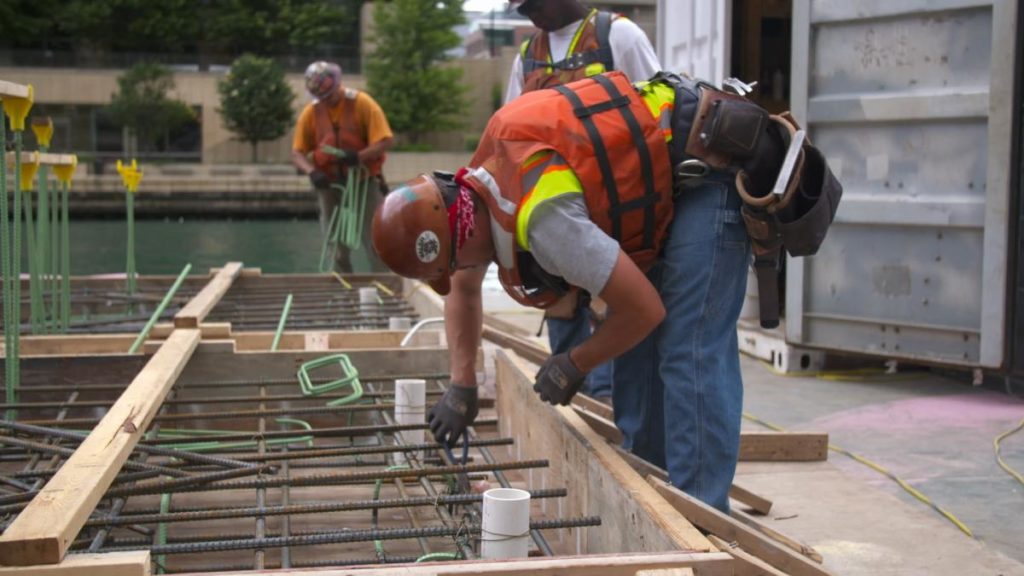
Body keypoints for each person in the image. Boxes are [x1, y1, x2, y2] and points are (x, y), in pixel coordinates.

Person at [372, 70, 841, 512]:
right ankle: (654, 492)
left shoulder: (544, 221)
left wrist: (574, 362)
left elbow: (644, 312)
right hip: (664, 192)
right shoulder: (478, 188)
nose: (462, 270)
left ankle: (699, 518)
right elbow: (465, 289)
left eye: (454, 262)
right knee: (634, 355)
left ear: (461, 232)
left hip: (711, 172)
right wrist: (462, 385)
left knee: (687, 347)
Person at [497, 0, 662, 400]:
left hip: (619, 220)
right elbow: (509, 139)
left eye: (533, 4)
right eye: (521, 9)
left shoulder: (617, 37)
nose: (529, 15)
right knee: (565, 343)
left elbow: (659, 117)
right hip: (555, 227)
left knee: (615, 340)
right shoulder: (528, 57)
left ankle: (610, 425)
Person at [291, 61, 394, 273]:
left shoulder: (363, 104)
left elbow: (384, 140)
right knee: (334, 237)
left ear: (338, 84)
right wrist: (312, 172)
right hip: (328, 182)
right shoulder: (311, 112)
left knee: (374, 235)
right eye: (323, 98)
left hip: (362, 180)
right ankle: (340, 282)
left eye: (330, 94)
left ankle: (385, 280)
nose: (328, 100)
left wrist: (358, 156)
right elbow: (297, 153)